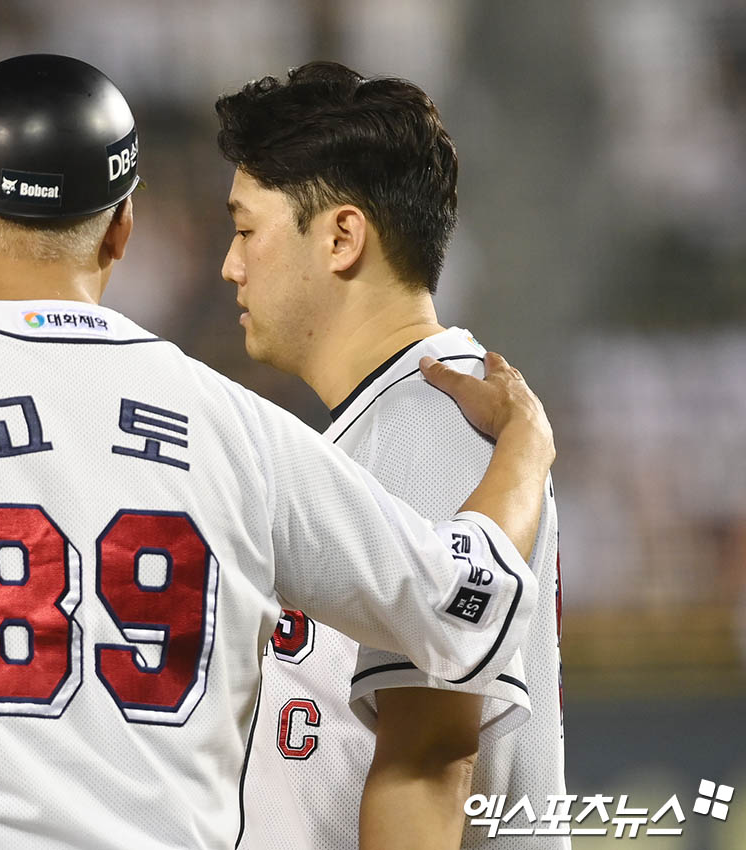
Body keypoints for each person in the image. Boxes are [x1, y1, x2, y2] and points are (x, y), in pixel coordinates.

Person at [0, 54, 554, 850]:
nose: (232, 264)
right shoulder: (234, 428)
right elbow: (462, 602)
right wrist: (523, 447)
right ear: (122, 227)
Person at [218, 62, 566, 850]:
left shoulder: (433, 419)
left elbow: (432, 764)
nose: (231, 265)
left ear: (341, 237)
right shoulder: (394, 418)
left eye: (245, 230)